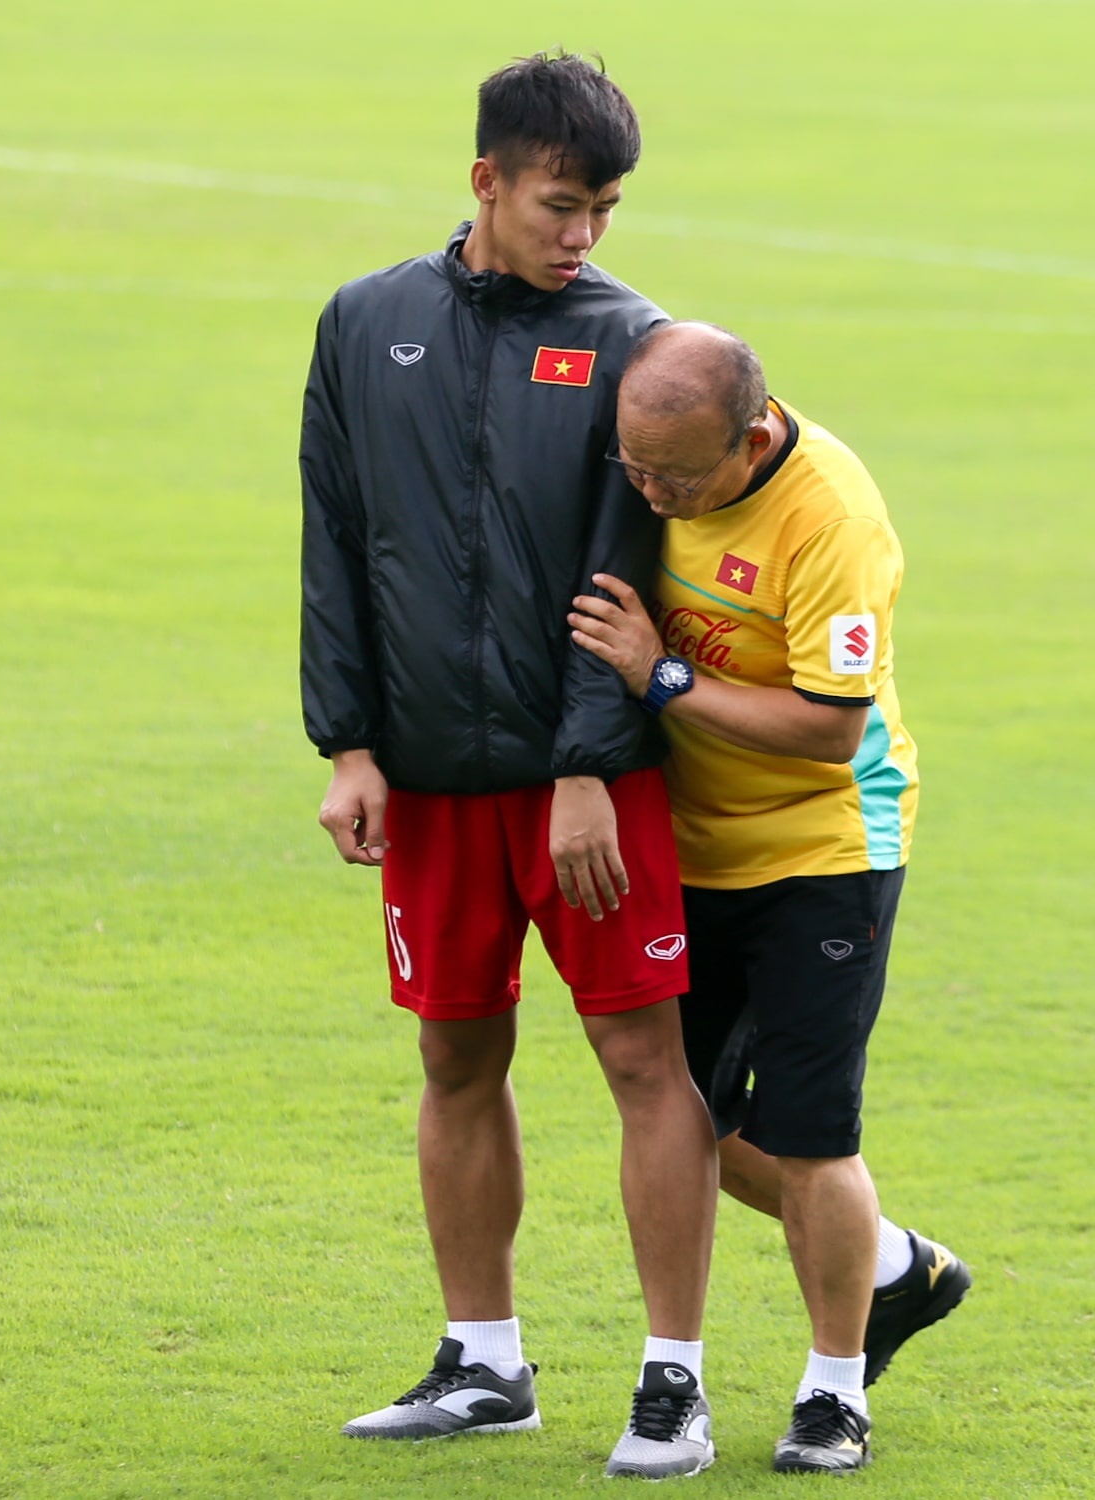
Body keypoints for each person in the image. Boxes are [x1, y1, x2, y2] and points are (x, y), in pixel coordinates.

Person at [299, 56, 718, 1480]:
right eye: (560, 202)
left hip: (583, 786)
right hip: (423, 778)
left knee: (638, 1056)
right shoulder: (363, 324)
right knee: (452, 1051)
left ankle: (673, 1381)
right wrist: (347, 743)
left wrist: (589, 766)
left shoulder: (628, 342)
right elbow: (336, 545)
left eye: (603, 207)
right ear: (484, 181)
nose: (584, 232)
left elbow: (626, 568)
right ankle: (483, 1364)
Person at [568, 321, 971, 1474]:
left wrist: (658, 674)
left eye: (677, 479)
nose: (651, 496)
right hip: (680, 848)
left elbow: (825, 733)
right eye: (633, 470)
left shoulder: (831, 519)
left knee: (807, 1134)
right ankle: (895, 1269)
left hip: (822, 850)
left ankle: (833, 1392)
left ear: (750, 438)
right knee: (680, 1115)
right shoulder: (650, 464)